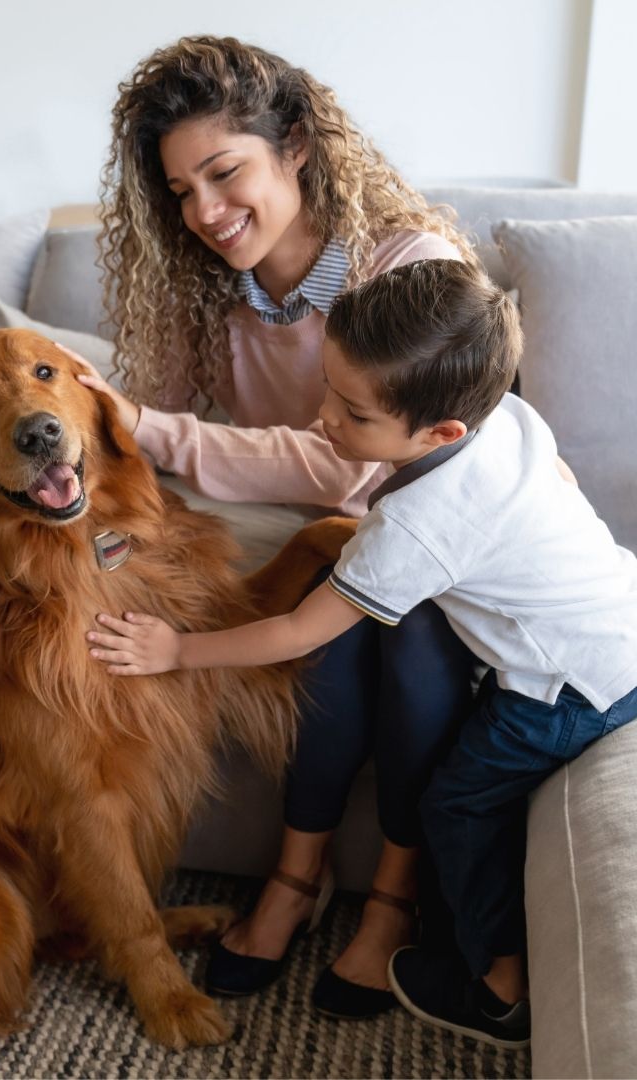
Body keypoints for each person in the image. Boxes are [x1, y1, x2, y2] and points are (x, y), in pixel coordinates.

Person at [86, 257, 637, 1049]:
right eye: (327, 390)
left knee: (461, 804)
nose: (323, 420)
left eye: (352, 412)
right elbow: (554, 471)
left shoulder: (414, 529)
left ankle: (501, 986)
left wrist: (177, 647)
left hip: (568, 687)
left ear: (441, 433)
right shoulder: (508, 419)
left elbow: (298, 632)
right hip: (620, 621)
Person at [66, 34, 479, 1017]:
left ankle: (389, 904)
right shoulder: (201, 295)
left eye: (224, 172)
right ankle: (296, 881)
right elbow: (141, 454)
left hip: (433, 545)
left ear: (296, 145)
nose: (205, 213)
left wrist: (159, 432)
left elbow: (360, 464)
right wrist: (104, 536)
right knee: (321, 631)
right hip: (325, 550)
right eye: (180, 192)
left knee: (410, 644)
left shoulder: (409, 269)